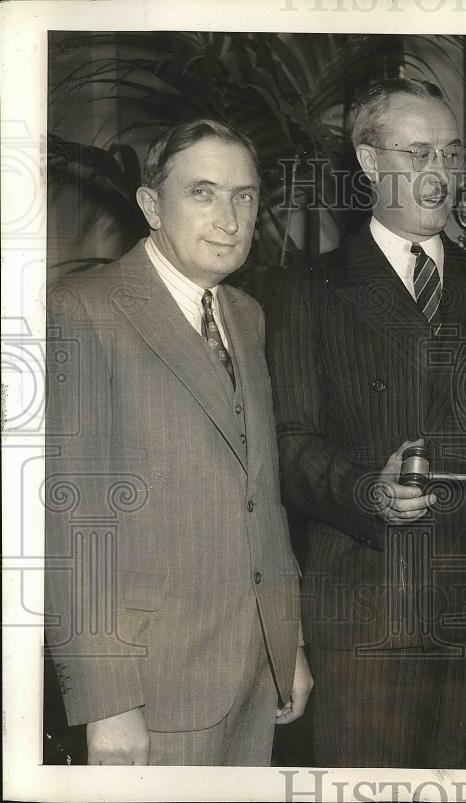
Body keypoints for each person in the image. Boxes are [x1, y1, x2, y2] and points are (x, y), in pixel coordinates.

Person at [265, 78, 466, 767]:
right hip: (367, 610)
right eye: (419, 154)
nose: (441, 174)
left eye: (452, 154)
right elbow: (289, 444)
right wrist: (369, 491)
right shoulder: (307, 290)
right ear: (368, 162)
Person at [44, 119, 311, 766]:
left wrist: (289, 645)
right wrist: (107, 702)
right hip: (153, 683)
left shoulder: (245, 314)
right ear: (151, 205)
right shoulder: (81, 310)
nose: (229, 219)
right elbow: (75, 523)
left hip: (255, 669)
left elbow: (261, 494)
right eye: (203, 193)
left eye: (244, 196)